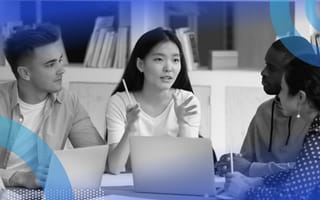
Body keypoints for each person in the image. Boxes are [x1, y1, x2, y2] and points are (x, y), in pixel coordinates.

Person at [0, 24, 105, 189]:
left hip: (45, 192)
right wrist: (18, 177)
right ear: (25, 73)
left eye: (60, 60)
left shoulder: (68, 101)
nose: (61, 70)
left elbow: (97, 157)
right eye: (50, 64)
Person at [105, 27, 201, 174]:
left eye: (175, 60)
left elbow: (189, 167)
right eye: (159, 59)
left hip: (174, 187)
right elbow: (115, 167)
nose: (169, 68)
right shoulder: (120, 102)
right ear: (140, 65)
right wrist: (130, 129)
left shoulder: (187, 101)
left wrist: (183, 123)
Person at [224, 54, 320, 200]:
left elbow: (292, 197)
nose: (279, 95)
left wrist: (245, 192)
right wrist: (258, 181)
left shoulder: (317, 135)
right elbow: (301, 173)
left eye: (282, 89)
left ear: (300, 97)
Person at [216, 36, 315, 177]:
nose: (263, 72)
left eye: (272, 68)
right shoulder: (264, 111)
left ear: (294, 74)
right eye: (266, 65)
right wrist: (232, 164)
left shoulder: (314, 118)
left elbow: (307, 174)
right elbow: (244, 163)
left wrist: (250, 168)